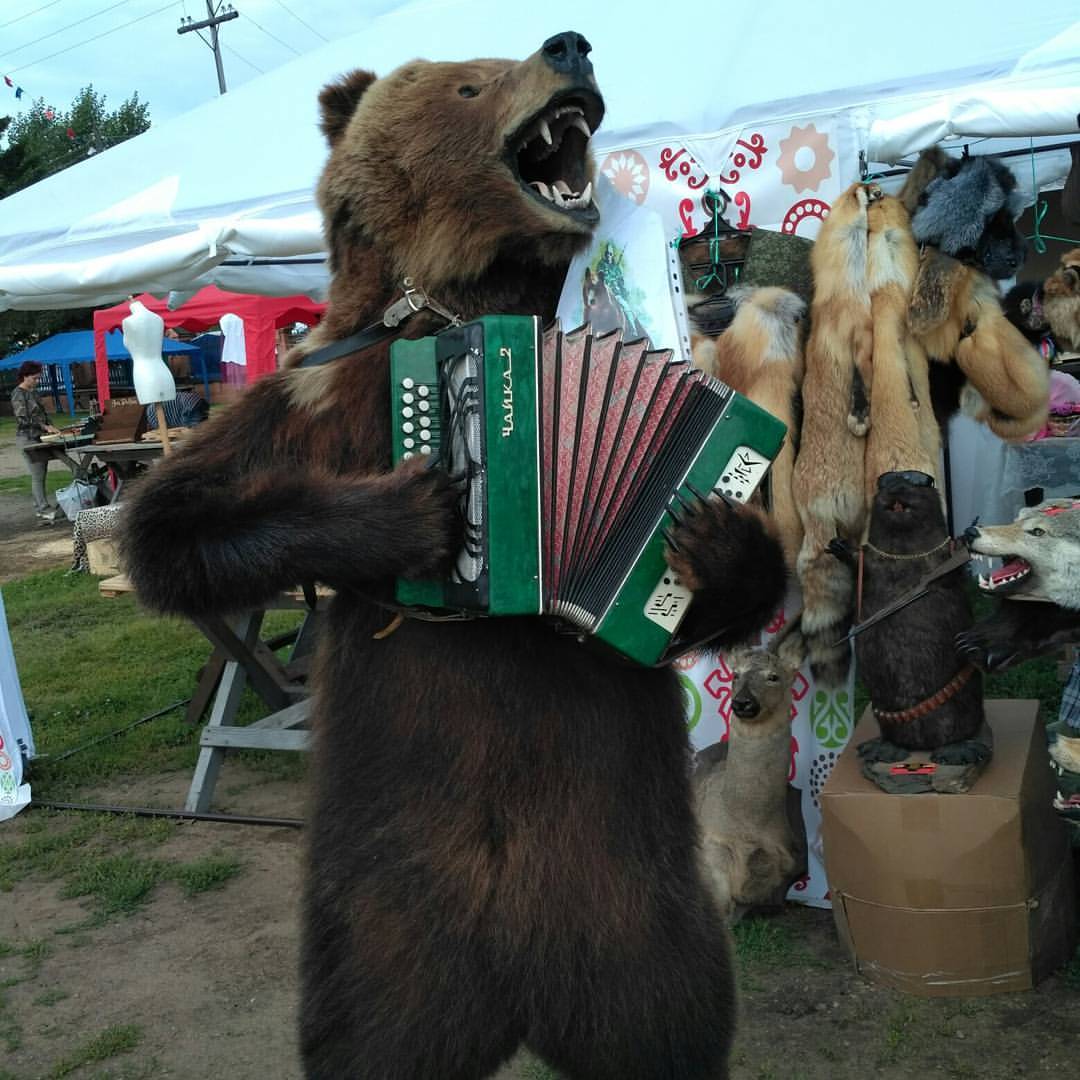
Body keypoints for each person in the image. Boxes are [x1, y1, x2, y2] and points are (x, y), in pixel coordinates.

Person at [11, 361, 60, 521]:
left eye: (38, 378)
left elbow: (42, 414)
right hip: (27, 438)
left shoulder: (33, 392)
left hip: (39, 436)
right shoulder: (18, 393)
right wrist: (45, 427)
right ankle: (42, 508)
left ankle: (41, 506)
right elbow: (22, 419)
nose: (37, 381)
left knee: (41, 473)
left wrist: (51, 425)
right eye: (34, 378)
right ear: (25, 376)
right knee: (37, 475)